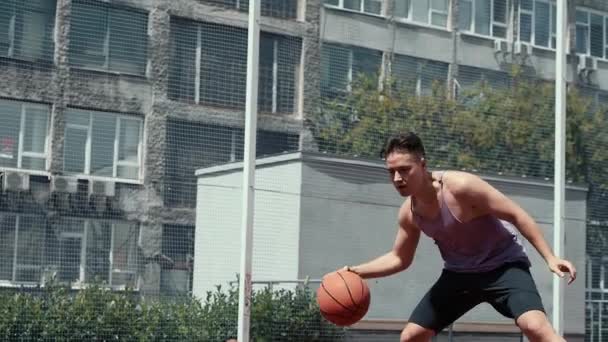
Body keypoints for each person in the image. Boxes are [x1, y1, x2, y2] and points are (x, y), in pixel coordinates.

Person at [341, 132, 576, 342]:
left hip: (503, 267)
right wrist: (355, 272)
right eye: (391, 172)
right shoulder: (409, 213)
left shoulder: (461, 187)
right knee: (411, 336)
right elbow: (399, 258)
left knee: (535, 327)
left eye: (404, 169)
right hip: (460, 275)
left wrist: (550, 257)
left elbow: (517, 214)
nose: (397, 178)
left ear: (423, 164)